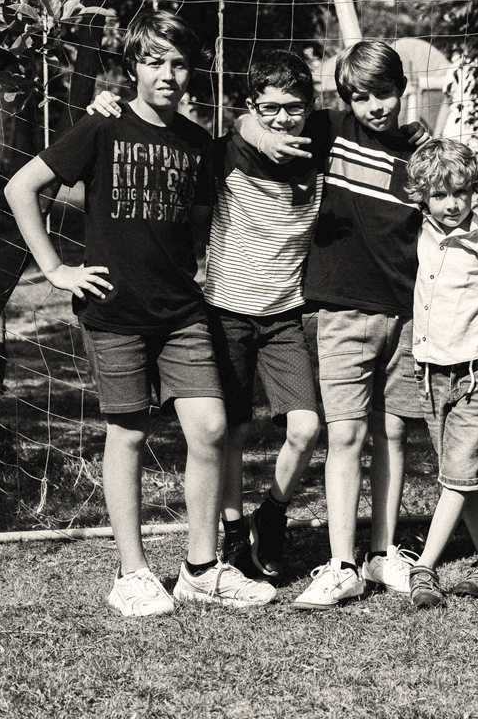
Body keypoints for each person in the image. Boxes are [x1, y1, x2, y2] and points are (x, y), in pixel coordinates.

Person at [5, 9, 276, 616]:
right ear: (133, 68)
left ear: (193, 72)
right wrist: (54, 269)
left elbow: (202, 224)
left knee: (209, 427)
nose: (167, 74)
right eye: (154, 61)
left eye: (179, 63)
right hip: (114, 312)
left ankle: (201, 568)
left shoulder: (197, 143)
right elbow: (21, 188)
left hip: (183, 312)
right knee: (127, 433)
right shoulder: (101, 127)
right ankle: (132, 572)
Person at [243, 41, 478, 610]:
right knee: (344, 434)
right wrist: (266, 134)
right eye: (360, 96)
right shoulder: (329, 130)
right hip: (341, 311)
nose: (374, 106)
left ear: (404, 89)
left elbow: (457, 192)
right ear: (346, 98)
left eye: (384, 93)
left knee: (393, 433)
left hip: (408, 317)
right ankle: (341, 563)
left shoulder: (420, 152)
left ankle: (382, 551)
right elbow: (255, 117)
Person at [87, 49, 327, 583]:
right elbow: (235, 132)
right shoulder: (224, 153)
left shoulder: (322, 148)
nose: (282, 118)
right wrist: (257, 131)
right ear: (250, 107)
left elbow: (373, 127)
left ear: (311, 107)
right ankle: (235, 530)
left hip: (284, 316)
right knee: (229, 433)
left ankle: (272, 514)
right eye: (269, 108)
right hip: (225, 312)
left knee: (307, 428)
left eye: (294, 107)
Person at [404, 138, 478, 608]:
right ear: (422, 197)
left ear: (475, 191)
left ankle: (424, 567)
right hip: (430, 377)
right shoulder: (415, 234)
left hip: (476, 374)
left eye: (461, 192)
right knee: (459, 476)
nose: (452, 204)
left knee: (456, 474)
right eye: (439, 194)